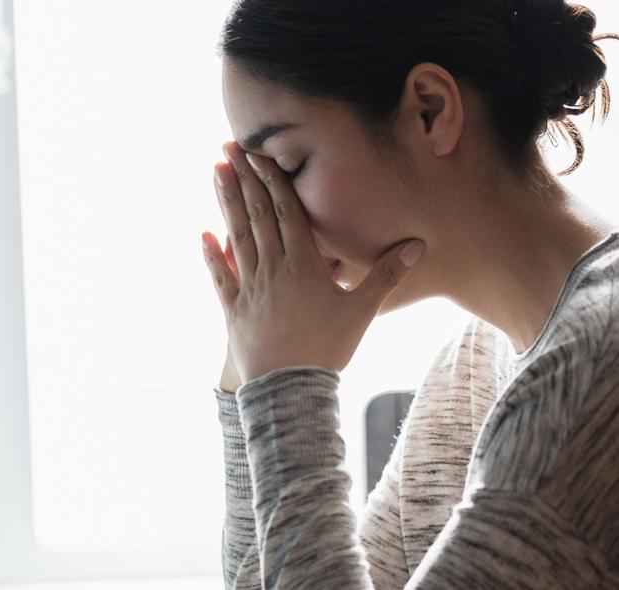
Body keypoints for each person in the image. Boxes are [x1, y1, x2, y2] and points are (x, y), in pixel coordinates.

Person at [200, 0, 619, 587]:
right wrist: (249, 366)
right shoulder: (468, 375)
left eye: (289, 167)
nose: (274, 216)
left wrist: (287, 378)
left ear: (431, 110)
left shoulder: (596, 370)